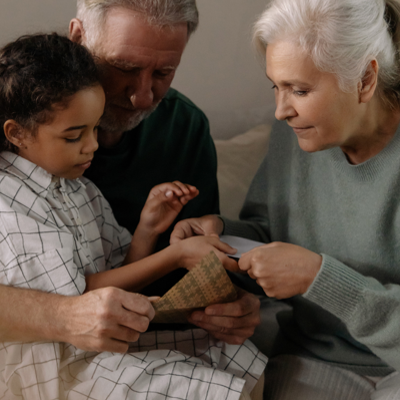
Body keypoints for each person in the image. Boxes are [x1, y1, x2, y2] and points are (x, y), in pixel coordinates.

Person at [0, 33, 266, 400]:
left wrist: (147, 230)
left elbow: (116, 282)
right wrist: (173, 256)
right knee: (208, 390)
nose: (92, 145)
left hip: (100, 344)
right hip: (60, 365)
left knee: (239, 356)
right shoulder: (10, 208)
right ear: (17, 134)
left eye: (95, 129)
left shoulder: (80, 189)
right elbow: (81, 304)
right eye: (74, 136)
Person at [171, 0, 400, 398]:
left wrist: (318, 277)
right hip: (315, 355)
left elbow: (307, 269)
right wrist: (223, 236)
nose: (280, 111)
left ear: (365, 79)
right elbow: (277, 235)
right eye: (275, 87)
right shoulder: (297, 136)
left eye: (300, 89)